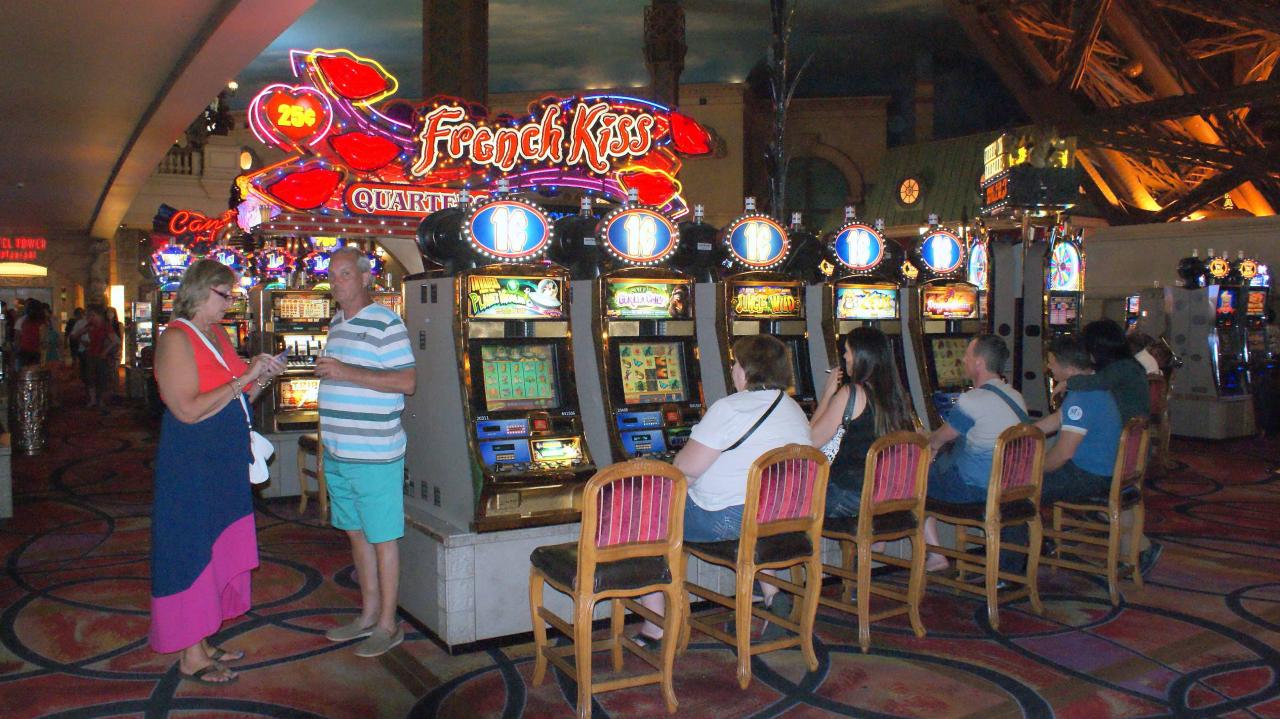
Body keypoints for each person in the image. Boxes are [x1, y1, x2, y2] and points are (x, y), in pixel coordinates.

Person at [149, 259, 285, 684]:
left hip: (224, 461)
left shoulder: (218, 334)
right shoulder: (175, 338)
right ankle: (191, 655)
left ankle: (203, 640)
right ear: (199, 290)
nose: (230, 303)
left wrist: (262, 377)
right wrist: (244, 377)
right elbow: (187, 409)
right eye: (224, 294)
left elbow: (238, 397)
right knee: (191, 550)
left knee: (216, 547)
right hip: (191, 462)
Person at [635, 334, 811, 643]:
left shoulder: (730, 408)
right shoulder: (793, 408)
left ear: (748, 369)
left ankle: (656, 623)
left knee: (644, 512)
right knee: (752, 508)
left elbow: (685, 468)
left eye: (735, 363)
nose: (732, 369)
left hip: (726, 519)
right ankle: (772, 593)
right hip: (781, 516)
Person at [316, 247, 416, 658]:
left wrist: (343, 372)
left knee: (382, 538)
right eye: (332, 275)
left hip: (375, 453)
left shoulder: (387, 323)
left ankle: (389, 625)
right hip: (339, 450)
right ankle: (369, 614)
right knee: (355, 534)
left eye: (344, 274)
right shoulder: (337, 323)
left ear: (364, 278)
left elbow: (407, 382)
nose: (336, 282)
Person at [923, 335, 1029, 571]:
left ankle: (935, 554)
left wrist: (925, 438)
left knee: (913, 479)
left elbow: (941, 438)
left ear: (979, 362)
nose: (963, 360)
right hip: (1013, 486)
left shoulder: (973, 400)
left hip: (976, 490)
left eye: (967, 355)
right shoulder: (1016, 396)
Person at [810, 326, 917, 517]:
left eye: (847, 351)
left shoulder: (852, 393)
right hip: (894, 493)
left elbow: (811, 440)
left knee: (793, 497)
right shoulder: (899, 396)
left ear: (861, 356)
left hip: (852, 497)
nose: (844, 356)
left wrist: (827, 394)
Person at [1059, 319, 1149, 422]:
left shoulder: (1123, 368)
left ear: (1097, 348)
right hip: (1125, 424)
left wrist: (1067, 382)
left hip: (1120, 426)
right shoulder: (1127, 364)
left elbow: (1096, 382)